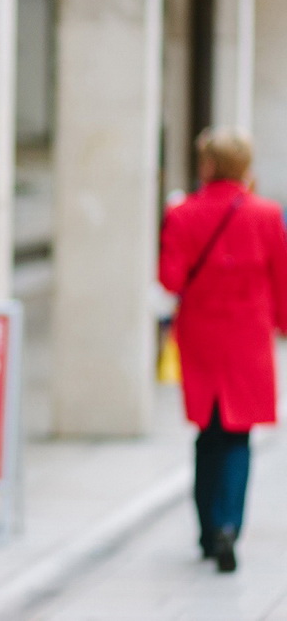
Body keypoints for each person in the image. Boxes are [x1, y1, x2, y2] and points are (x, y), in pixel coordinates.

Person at [159, 127, 287, 573]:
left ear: (208, 165)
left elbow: (171, 279)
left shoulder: (183, 214)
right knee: (238, 433)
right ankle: (229, 524)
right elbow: (282, 280)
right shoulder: (268, 214)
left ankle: (208, 529)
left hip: (200, 338)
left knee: (208, 432)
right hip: (248, 339)